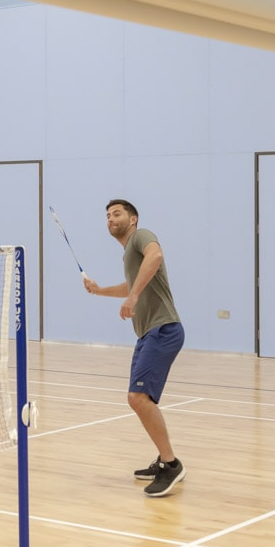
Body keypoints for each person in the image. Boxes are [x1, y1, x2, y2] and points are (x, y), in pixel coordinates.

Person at [83, 199, 186, 497]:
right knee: (139, 400)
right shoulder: (129, 253)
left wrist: (134, 297)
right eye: (107, 215)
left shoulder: (142, 237)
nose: (110, 218)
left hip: (163, 329)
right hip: (147, 334)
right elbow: (131, 285)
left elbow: (156, 256)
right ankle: (164, 459)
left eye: (117, 213)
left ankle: (171, 464)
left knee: (137, 397)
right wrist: (100, 291)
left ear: (133, 219)